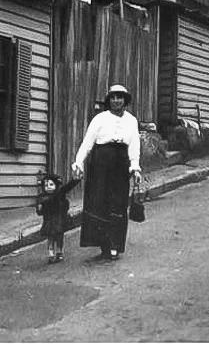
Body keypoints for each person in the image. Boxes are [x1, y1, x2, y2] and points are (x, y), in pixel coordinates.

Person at [71, 84, 142, 261]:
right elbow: (88, 141)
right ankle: (102, 243)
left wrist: (135, 167)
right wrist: (78, 162)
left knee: (118, 203)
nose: (116, 100)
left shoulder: (131, 120)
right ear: (108, 100)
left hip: (120, 162)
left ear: (125, 100)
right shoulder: (100, 119)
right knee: (99, 201)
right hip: (100, 162)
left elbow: (134, 145)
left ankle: (114, 245)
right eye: (113, 97)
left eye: (120, 97)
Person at [36, 174, 81, 264]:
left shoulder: (58, 194)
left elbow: (67, 188)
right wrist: (39, 208)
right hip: (49, 222)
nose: (48, 187)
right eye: (46, 185)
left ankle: (59, 252)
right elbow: (39, 211)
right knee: (50, 238)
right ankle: (51, 253)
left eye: (51, 185)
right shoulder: (42, 197)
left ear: (56, 185)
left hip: (59, 221)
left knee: (59, 238)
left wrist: (75, 180)